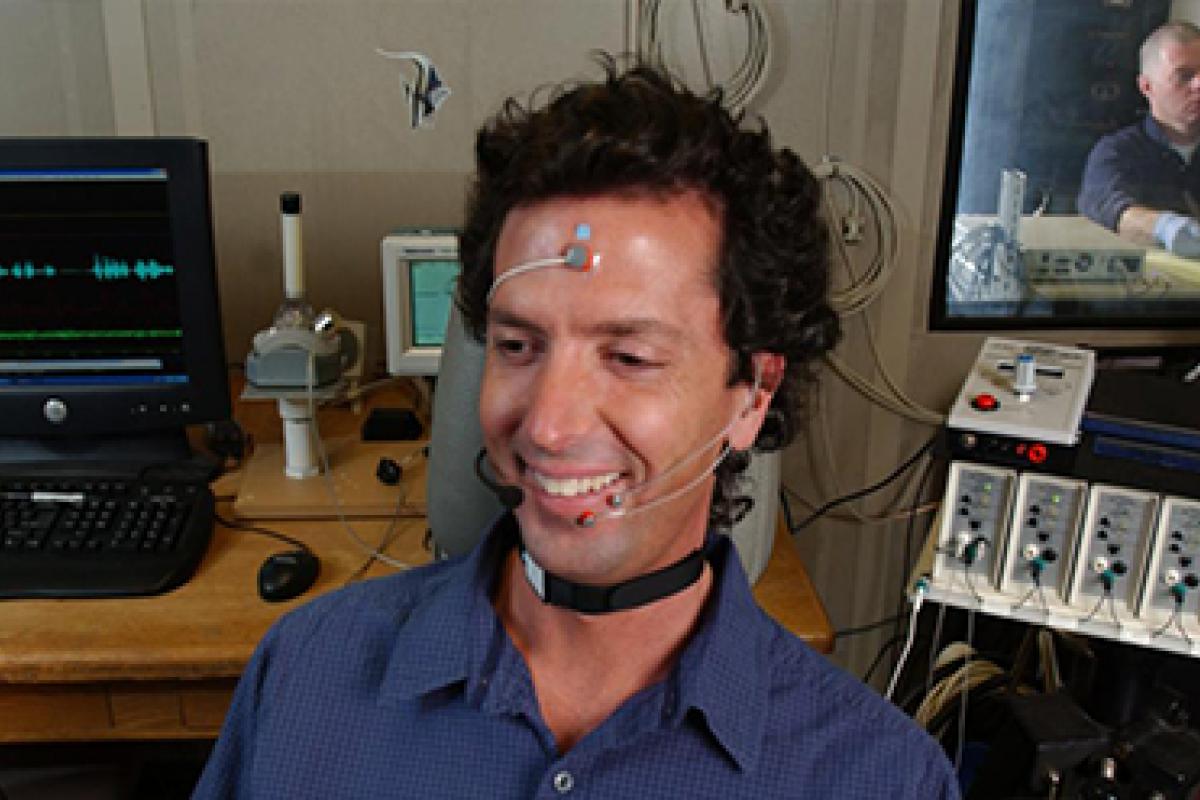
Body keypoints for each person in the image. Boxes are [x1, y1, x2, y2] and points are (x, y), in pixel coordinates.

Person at [193, 57, 959, 798]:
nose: (549, 426)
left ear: (753, 394)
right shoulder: (306, 678)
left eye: (628, 356)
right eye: (518, 346)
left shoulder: (878, 778)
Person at [1078, 21, 1200, 257]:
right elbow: (1110, 207)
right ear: (1146, 86)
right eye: (1184, 76)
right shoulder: (1117, 153)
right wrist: (1170, 229)